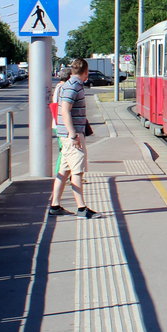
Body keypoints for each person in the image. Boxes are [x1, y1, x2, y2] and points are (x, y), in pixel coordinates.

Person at [54, 58, 98, 219]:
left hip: (67, 134)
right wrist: (73, 134)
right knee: (77, 171)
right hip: (72, 135)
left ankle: (55, 205)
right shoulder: (73, 86)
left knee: (64, 171)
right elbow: (66, 110)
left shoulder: (69, 85)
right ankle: (81, 208)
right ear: (85, 72)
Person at [47, 68, 73, 215]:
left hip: (59, 124)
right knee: (64, 153)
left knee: (63, 153)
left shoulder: (58, 87)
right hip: (61, 126)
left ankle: (64, 176)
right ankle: (62, 176)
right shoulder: (63, 87)